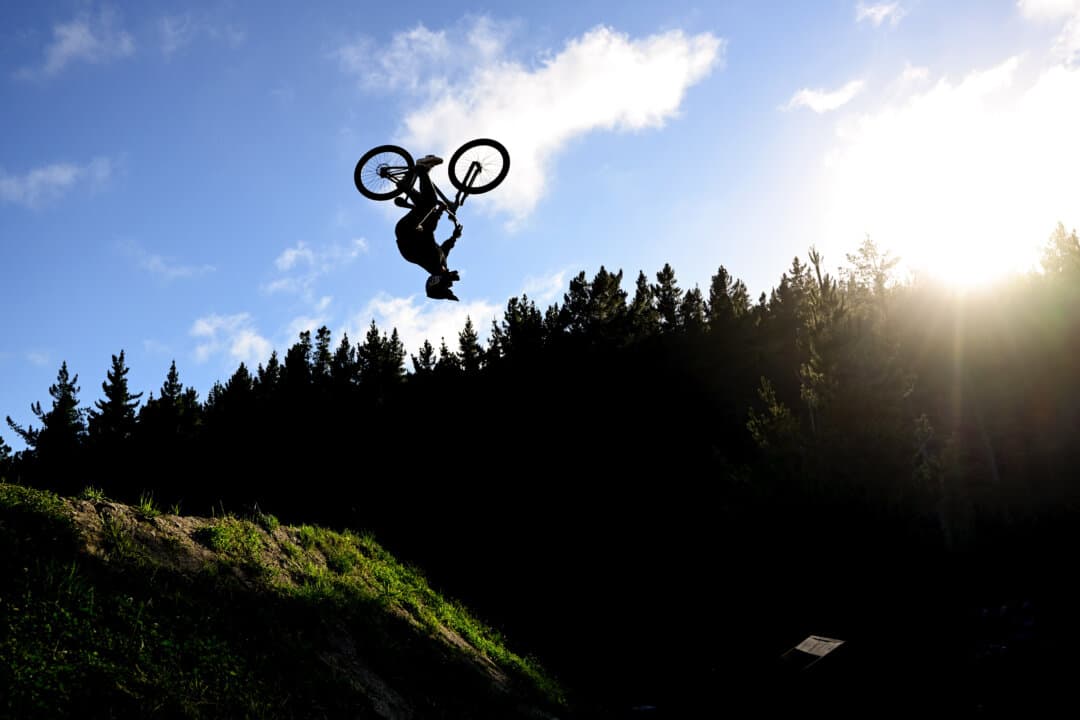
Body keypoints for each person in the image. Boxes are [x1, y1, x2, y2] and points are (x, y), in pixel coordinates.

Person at [395, 154, 463, 301]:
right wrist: (454, 237)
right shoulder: (440, 264)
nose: (451, 283)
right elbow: (445, 249)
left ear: (436, 281)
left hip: (407, 230)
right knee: (424, 204)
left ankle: (422, 168)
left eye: (447, 285)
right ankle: (404, 185)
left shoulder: (430, 262)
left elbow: (428, 230)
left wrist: (438, 213)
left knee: (430, 203)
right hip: (414, 229)